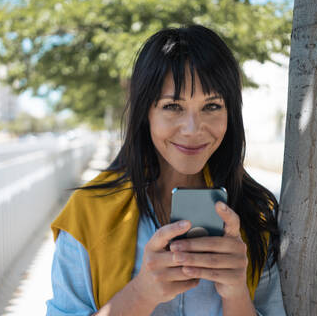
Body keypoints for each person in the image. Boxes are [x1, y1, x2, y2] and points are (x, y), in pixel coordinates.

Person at [46, 25, 285, 316]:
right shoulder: (87, 214)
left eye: (212, 106)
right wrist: (141, 293)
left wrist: (236, 293)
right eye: (173, 106)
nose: (193, 129)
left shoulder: (256, 215)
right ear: (145, 113)